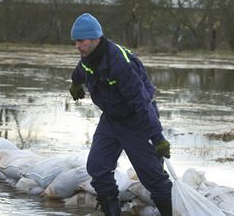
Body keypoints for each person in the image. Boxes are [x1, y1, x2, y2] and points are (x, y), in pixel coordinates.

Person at [69, 13, 172, 216]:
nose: (77, 46)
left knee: (152, 177)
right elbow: (82, 69)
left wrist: (158, 139)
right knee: (97, 167)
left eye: (80, 41)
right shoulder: (89, 57)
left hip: (136, 119)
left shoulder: (121, 64)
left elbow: (142, 104)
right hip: (111, 119)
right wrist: (75, 83)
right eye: (75, 41)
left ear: (95, 39)